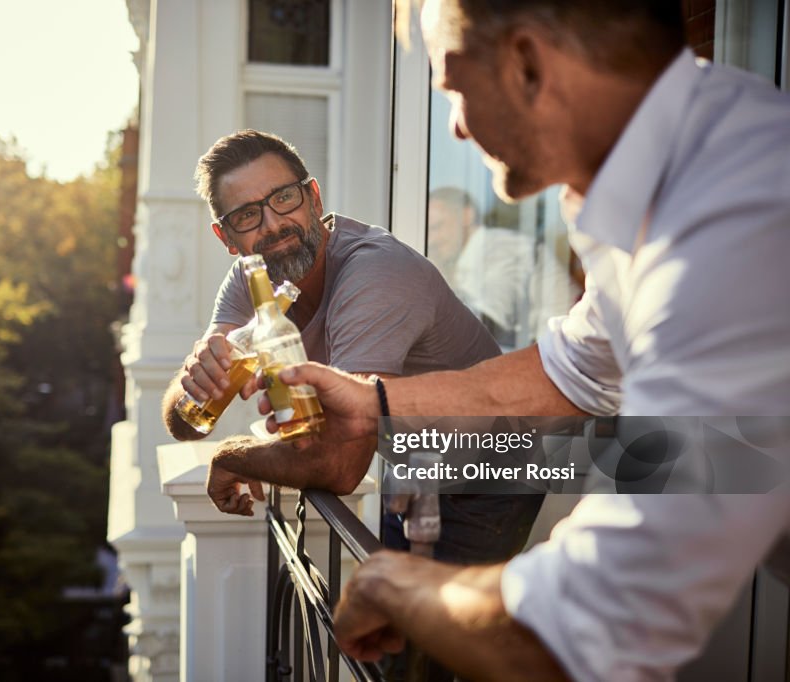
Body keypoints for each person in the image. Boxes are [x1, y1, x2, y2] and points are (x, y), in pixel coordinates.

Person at [263, 0, 790, 679]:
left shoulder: (731, 223)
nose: (452, 126)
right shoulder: (670, 173)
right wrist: (374, 403)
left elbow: (597, 624)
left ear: (527, 64)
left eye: (452, 85)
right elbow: (568, 372)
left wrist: (392, 584)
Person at [161, 129, 544, 566]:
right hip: (411, 466)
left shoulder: (375, 274)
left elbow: (340, 466)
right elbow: (188, 422)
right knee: (389, 615)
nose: (273, 225)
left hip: (488, 475)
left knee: (433, 627)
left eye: (283, 198)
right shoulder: (252, 280)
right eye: (247, 215)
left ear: (314, 199)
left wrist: (237, 458)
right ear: (226, 237)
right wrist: (195, 377)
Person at [427, 186, 580, 349]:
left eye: (436, 227)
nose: (431, 241)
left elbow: (484, 324)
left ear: (467, 215)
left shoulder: (503, 248)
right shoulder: (460, 258)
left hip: (563, 355)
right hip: (543, 353)